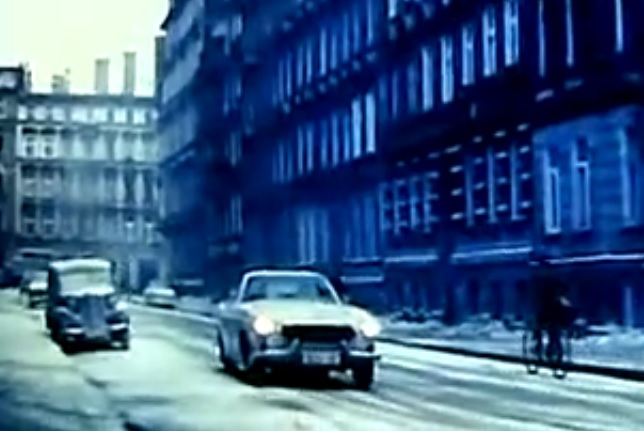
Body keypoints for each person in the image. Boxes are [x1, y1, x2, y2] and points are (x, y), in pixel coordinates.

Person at [531, 259, 576, 361]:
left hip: (550, 312)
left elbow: (536, 297)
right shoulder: (547, 280)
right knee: (548, 327)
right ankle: (543, 344)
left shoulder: (542, 280)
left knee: (546, 327)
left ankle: (544, 345)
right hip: (550, 311)